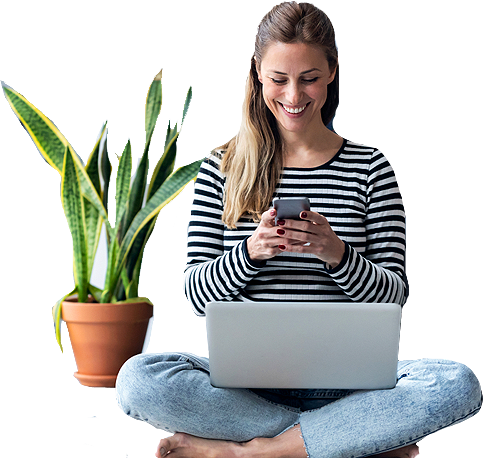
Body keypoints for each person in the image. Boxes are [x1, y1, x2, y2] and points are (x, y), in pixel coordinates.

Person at [115, 3, 481, 458]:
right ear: (257, 74)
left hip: (348, 389)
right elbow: (196, 295)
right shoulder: (222, 169)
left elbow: (392, 295)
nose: (293, 95)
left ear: (331, 72)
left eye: (309, 77)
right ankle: (354, 442)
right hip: (245, 389)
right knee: (137, 377)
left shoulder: (372, 169)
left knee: (456, 382)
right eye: (278, 79)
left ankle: (248, 452)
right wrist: (249, 253)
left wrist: (338, 255)